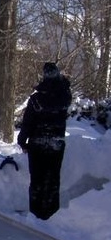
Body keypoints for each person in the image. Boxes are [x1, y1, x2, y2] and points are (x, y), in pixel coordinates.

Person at [17, 62, 72, 220]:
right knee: (53, 179)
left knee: (37, 180)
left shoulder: (36, 99)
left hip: (38, 143)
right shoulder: (65, 96)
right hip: (57, 143)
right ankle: (52, 214)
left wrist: (22, 141)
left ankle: (36, 214)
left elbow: (28, 122)